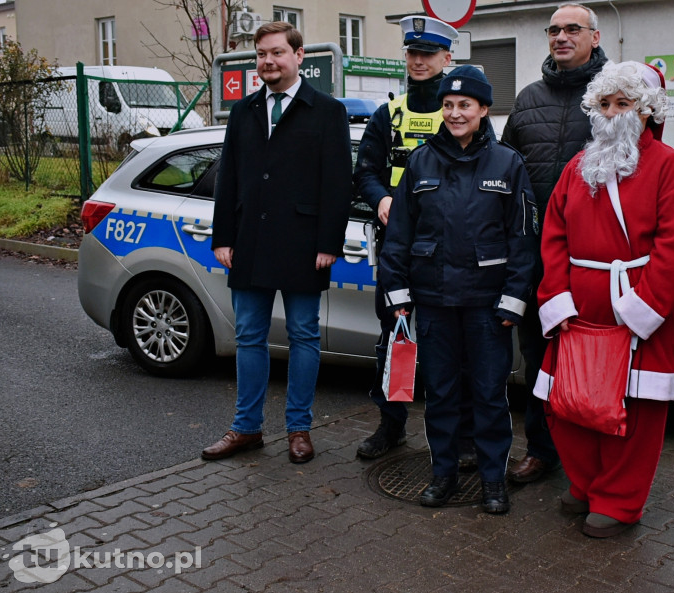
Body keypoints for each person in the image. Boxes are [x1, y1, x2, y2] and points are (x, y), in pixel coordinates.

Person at [533, 61, 674, 537]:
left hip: (634, 312)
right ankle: (587, 485)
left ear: (646, 111)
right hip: (578, 311)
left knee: (634, 412)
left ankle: (619, 501)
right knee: (567, 405)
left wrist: (640, 310)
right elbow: (554, 236)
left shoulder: (672, 168)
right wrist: (557, 299)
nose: (611, 113)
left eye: (622, 104)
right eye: (604, 104)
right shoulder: (577, 166)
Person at [380, 66, 534, 514]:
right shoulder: (421, 161)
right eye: (448, 105)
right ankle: (443, 475)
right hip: (433, 304)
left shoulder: (508, 163)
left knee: (489, 395)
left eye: (465, 105)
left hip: (487, 306)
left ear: (484, 109)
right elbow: (400, 238)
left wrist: (513, 299)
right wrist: (399, 295)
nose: (454, 113)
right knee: (442, 395)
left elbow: (523, 239)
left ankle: (492, 481)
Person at [203, 22, 353, 464]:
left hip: (305, 243)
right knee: (249, 335)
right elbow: (227, 177)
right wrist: (223, 236)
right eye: (261, 54)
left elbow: (337, 183)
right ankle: (246, 428)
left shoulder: (327, 111)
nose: (268, 61)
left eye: (277, 53)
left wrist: (329, 241)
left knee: (304, 335)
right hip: (249, 240)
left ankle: (299, 429)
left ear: (299, 56)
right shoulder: (244, 111)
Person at [352, 16, 477, 465]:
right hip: (400, 249)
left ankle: (462, 436)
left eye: (428, 54)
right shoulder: (389, 113)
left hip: (450, 250)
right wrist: (382, 200)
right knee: (397, 340)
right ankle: (392, 425)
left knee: (455, 345)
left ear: (448, 58)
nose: (419, 61)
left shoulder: (463, 111)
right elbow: (364, 172)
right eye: (412, 53)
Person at [500, 1, 608, 484]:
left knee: (593, 356)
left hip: (596, 259)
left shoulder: (613, 96)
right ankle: (542, 450)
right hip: (537, 256)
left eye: (572, 29)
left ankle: (594, 454)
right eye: (553, 30)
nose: (561, 37)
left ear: (594, 37)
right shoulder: (527, 100)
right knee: (540, 356)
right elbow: (504, 171)